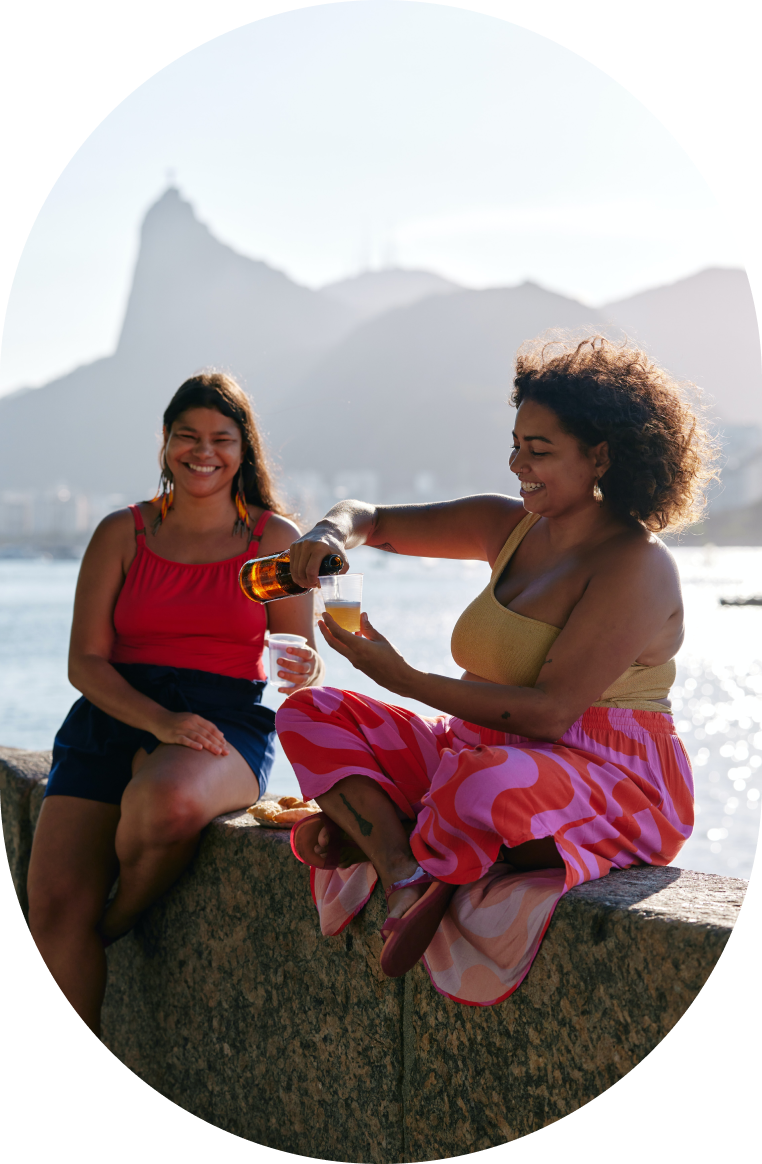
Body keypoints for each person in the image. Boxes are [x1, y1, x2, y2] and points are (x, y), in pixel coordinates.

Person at [276, 336, 717, 1005]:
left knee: (483, 784)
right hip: (480, 748)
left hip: (612, 778)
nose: (518, 463)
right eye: (515, 443)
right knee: (311, 713)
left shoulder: (638, 565)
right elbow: (372, 519)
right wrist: (328, 535)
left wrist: (403, 678)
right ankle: (405, 871)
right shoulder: (503, 526)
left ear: (599, 456)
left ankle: (401, 832)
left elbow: (550, 713)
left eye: (539, 450)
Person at [27, 372, 325, 1035]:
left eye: (221, 438)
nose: (203, 451)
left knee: (161, 805)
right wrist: (161, 721)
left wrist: (306, 664)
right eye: (186, 436)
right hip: (116, 710)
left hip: (227, 715)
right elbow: (85, 662)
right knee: (49, 909)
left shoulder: (274, 537)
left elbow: (294, 656)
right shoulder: (122, 532)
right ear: (165, 444)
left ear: (243, 449)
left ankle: (119, 919)